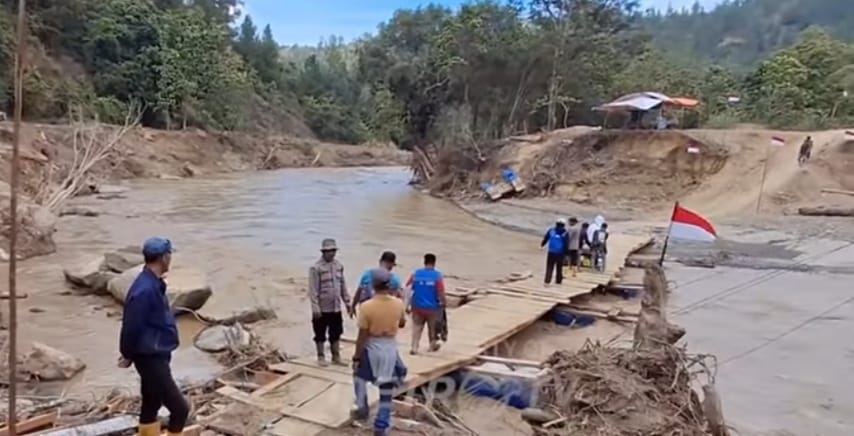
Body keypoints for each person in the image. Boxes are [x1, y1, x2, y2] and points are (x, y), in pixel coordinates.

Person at [118, 237, 190, 436]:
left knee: (152, 402)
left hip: (155, 352)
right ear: (164, 258)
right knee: (180, 409)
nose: (171, 260)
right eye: (170, 255)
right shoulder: (144, 290)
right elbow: (131, 326)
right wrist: (127, 353)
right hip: (149, 356)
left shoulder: (153, 283)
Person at [351, 269, 408, 435]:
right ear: (389, 285)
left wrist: (356, 356)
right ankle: (381, 425)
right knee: (387, 388)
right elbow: (403, 323)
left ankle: (362, 407)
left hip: (372, 347)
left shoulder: (367, 307)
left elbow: (362, 335)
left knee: (359, 377)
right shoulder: (398, 303)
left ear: (373, 286)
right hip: (389, 347)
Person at [308, 238, 352, 366]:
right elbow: (313, 289)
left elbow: (343, 285)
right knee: (320, 333)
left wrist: (348, 302)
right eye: (329, 251)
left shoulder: (339, 266)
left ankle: (336, 357)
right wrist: (315, 307)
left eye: (333, 250)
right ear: (323, 252)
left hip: (336, 307)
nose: (332, 253)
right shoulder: (316, 268)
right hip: (322, 307)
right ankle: (321, 357)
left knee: (336, 332)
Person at [405, 253, 447, 355]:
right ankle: (432, 345)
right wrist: (444, 302)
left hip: (417, 306)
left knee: (416, 327)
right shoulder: (437, 276)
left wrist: (407, 305)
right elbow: (440, 292)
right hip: (432, 307)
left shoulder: (415, 274)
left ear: (424, 262)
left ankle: (414, 347)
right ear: (434, 263)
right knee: (432, 328)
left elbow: (408, 289)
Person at [540, 218, 570, 285]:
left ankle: (547, 281)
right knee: (559, 267)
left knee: (549, 266)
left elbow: (546, 238)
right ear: (564, 225)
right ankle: (558, 281)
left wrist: (542, 245)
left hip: (551, 252)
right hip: (560, 253)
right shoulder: (565, 232)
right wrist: (567, 253)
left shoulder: (551, 230)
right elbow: (566, 243)